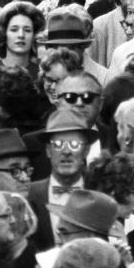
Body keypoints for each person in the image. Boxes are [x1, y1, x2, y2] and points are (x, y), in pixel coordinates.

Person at [27, 107, 99, 252]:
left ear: (86, 151)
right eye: (58, 145)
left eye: (74, 144)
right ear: (48, 150)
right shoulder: (30, 195)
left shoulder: (100, 193)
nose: (66, 152)